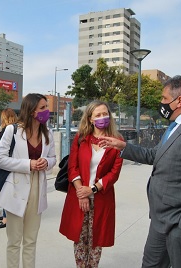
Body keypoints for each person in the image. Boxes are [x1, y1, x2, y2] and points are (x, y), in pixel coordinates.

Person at [99, 75, 181, 268]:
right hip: (162, 218)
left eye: (164, 98)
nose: (161, 103)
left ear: (179, 100)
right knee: (151, 264)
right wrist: (123, 147)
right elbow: (155, 155)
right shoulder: (175, 126)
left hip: (180, 222)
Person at [0, 93, 56, 268]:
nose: (47, 111)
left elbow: (53, 158)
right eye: (42, 108)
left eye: (46, 107)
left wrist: (47, 162)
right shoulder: (12, 130)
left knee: (31, 240)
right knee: (14, 240)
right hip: (16, 187)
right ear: (30, 111)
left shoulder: (48, 133)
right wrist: (28, 164)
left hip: (38, 186)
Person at [59, 100, 123, 267]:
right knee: (80, 238)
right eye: (98, 115)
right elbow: (73, 167)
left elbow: (114, 173)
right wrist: (82, 192)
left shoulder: (117, 140)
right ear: (90, 119)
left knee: (96, 240)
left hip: (101, 196)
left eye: (105, 113)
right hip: (79, 195)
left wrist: (92, 189)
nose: (103, 117)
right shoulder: (81, 138)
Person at [0, 108, 18, 229]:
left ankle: (6, 218)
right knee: (7, 190)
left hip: (3, 164)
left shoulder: (8, 129)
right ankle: (6, 215)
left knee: (5, 191)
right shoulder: (16, 129)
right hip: (10, 163)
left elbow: (0, 149)